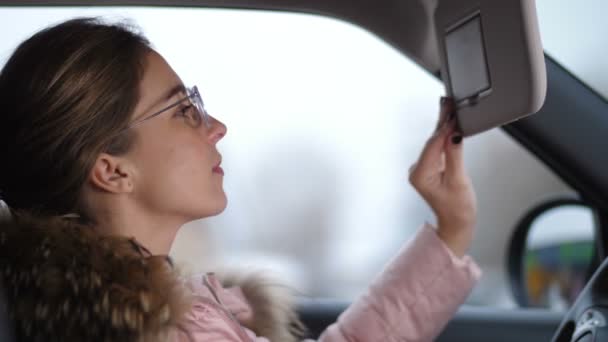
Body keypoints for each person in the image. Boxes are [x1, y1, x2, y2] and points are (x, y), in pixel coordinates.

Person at [0, 18, 480, 341]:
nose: (216, 128)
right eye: (184, 111)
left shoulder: (158, 315)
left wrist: (450, 228)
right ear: (111, 169)